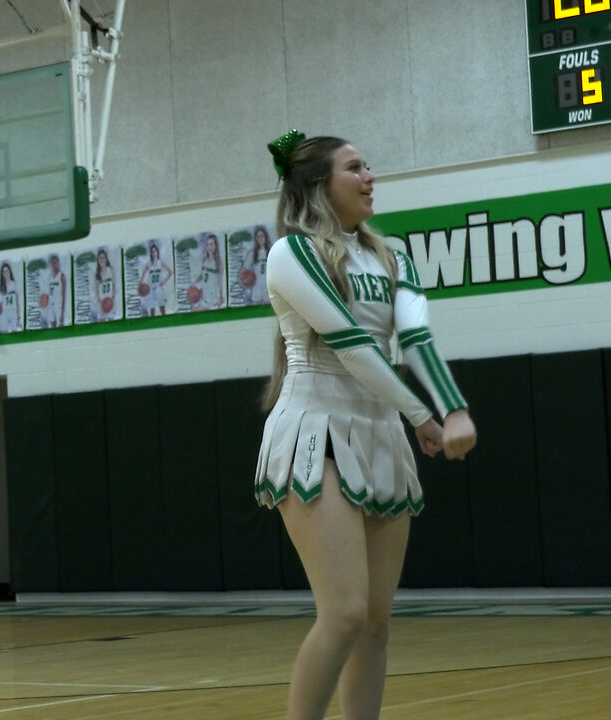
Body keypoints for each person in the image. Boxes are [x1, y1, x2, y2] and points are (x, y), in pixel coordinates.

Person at [253, 130, 477, 720]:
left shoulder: (392, 255)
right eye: (355, 167)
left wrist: (453, 409)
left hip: (379, 428)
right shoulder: (291, 253)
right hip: (314, 427)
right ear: (319, 185)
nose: (370, 176)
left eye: (369, 165)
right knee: (345, 612)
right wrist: (424, 416)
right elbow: (351, 344)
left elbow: (417, 338)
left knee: (376, 623)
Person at [138, 241, 172, 316]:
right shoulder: (148, 264)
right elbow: (142, 276)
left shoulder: (161, 262)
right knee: (152, 309)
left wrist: (164, 281)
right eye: (152, 251)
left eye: (155, 251)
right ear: (151, 253)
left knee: (162, 308)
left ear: (157, 252)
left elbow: (170, 272)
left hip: (159, 287)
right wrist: (139, 286)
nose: (154, 253)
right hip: (150, 288)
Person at [193, 233, 226, 310]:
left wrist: (221, 297)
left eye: (211, 244)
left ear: (216, 246)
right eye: (207, 245)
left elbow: (220, 281)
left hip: (212, 296)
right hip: (204, 294)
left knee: (196, 311)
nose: (209, 247)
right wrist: (194, 283)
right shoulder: (205, 260)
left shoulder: (218, 262)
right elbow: (202, 275)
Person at [241, 225, 272, 305]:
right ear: (256, 238)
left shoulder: (272, 251)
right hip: (256, 287)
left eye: (262, 236)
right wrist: (246, 279)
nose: (260, 238)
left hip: (269, 287)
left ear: (265, 237)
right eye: (258, 236)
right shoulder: (252, 253)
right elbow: (244, 270)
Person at [0, 262, 22, 333]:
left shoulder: (14, 284)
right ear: (2, 273)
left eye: (7, 271)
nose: (6, 273)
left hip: (13, 312)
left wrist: (18, 315)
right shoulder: (0, 286)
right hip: (4, 312)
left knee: (15, 333)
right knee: (3, 332)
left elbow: (17, 301)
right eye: (4, 271)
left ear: (10, 272)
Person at [91, 248, 118, 321]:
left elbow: (115, 285)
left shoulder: (111, 270)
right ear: (98, 260)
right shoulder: (96, 274)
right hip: (101, 303)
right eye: (100, 258)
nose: (102, 260)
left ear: (106, 259)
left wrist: (113, 298)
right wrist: (99, 300)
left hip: (110, 301)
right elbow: (95, 290)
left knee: (111, 323)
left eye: (103, 258)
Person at [41, 254, 68, 328]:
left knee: (60, 325)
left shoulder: (61, 276)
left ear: (58, 263)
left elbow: (64, 295)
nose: (54, 265)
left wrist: (62, 312)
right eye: (52, 263)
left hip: (58, 304)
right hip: (51, 304)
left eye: (55, 262)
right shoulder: (50, 277)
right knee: (52, 325)